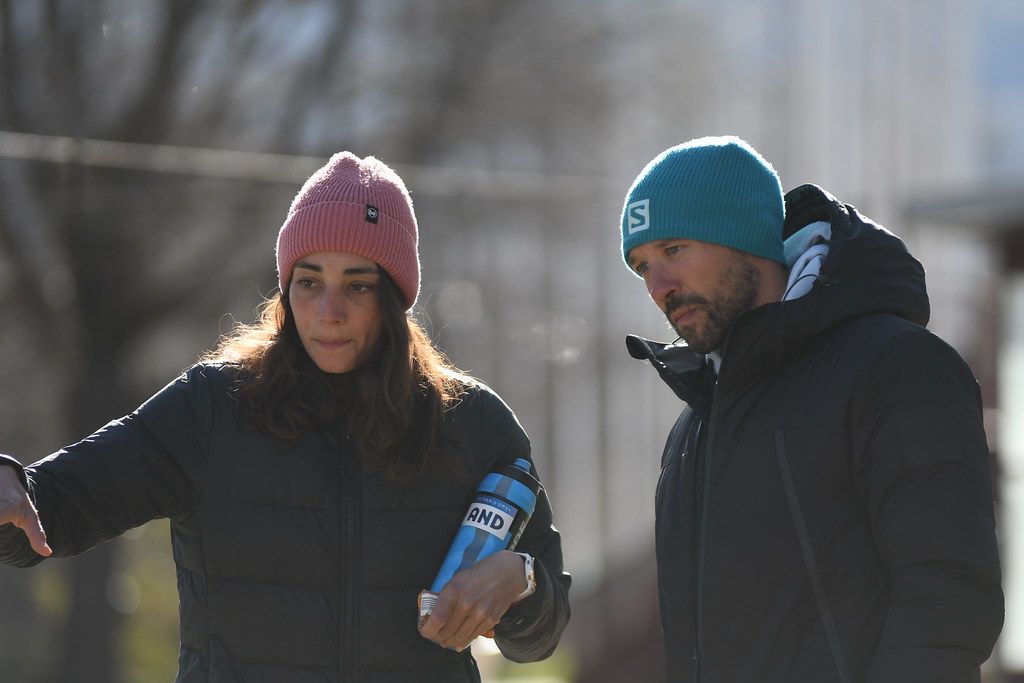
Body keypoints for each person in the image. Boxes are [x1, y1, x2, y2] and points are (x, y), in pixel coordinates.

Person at [0, 152, 571, 682]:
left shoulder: (472, 424)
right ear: (285, 288)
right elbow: (52, 510)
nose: (329, 311)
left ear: (395, 299)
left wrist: (520, 579)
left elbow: (540, 634)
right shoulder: (211, 409)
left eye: (358, 285)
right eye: (309, 282)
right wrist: (8, 486)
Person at [619, 136, 1003, 683]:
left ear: (745, 238)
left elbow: (949, 593)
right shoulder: (695, 424)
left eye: (674, 249)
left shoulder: (894, 364)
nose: (659, 287)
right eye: (641, 266)